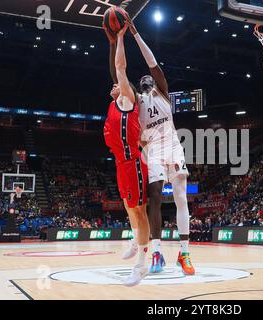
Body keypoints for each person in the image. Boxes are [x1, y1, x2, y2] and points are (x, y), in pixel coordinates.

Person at [121, 12, 195, 275]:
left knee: (181, 197)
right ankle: (156, 253)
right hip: (152, 150)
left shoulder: (162, 91)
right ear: (138, 86)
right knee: (154, 199)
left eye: (149, 78)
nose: (147, 78)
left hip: (173, 145)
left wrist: (135, 34)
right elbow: (120, 73)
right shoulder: (134, 104)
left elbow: (151, 62)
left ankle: (184, 253)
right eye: (142, 80)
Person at [103, 20, 150, 286]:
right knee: (127, 206)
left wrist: (120, 37)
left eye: (117, 85)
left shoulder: (126, 100)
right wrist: (112, 43)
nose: (112, 86)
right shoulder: (114, 106)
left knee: (139, 211)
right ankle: (135, 237)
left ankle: (141, 264)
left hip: (132, 163)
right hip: (122, 163)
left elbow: (119, 68)